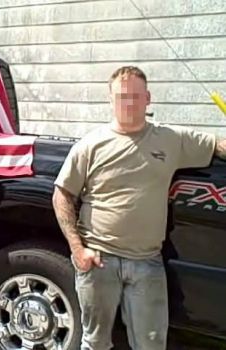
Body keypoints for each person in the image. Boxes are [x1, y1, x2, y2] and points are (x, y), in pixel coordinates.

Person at [52, 66, 226, 350]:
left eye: (135, 96)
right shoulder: (90, 145)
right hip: (98, 260)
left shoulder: (171, 139)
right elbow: (62, 195)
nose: (129, 103)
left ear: (148, 98)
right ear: (111, 100)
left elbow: (218, 146)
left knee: (151, 343)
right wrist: (77, 249)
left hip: (147, 262)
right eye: (122, 97)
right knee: (95, 342)